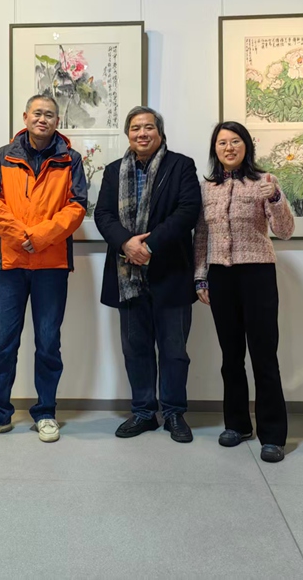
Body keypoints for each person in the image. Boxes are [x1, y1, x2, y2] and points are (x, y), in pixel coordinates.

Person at [0, 94, 87, 443]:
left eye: (49, 114)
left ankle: (45, 413)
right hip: (12, 262)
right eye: (37, 113)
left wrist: (41, 236)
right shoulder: (4, 156)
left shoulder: (70, 159)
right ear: (26, 117)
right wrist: (21, 236)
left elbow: (77, 205)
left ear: (57, 121)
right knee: (4, 342)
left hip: (52, 264)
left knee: (48, 342)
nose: (43, 119)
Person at [94, 106, 201, 443]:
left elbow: (187, 212)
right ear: (128, 134)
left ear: (160, 132)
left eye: (149, 127)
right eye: (135, 128)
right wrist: (127, 244)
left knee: (174, 350)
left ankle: (173, 413)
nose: (142, 133)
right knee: (135, 349)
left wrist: (148, 246)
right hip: (127, 277)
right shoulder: (114, 171)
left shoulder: (181, 166)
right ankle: (143, 412)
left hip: (171, 273)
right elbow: (103, 214)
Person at [194, 121, 294, 463]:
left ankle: (273, 435)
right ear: (215, 149)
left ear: (246, 146)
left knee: (264, 355)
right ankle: (236, 425)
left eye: (235, 141)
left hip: (258, 274)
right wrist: (200, 277)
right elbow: (201, 236)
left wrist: (276, 198)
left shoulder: (265, 181)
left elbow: (285, 231)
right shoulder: (207, 188)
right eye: (222, 143)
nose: (229, 147)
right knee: (231, 356)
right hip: (220, 276)